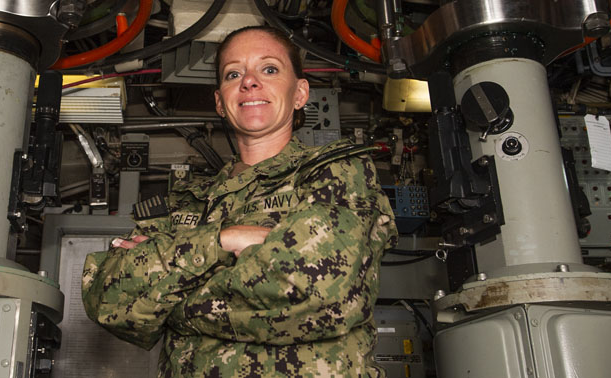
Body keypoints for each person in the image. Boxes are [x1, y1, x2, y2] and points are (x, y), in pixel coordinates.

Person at [82, 25, 398, 377]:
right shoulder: (183, 203)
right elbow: (108, 300)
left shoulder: (338, 172)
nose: (249, 82)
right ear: (220, 101)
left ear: (300, 93)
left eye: (269, 69)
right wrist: (224, 240)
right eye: (234, 74)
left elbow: (322, 293)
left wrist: (172, 305)